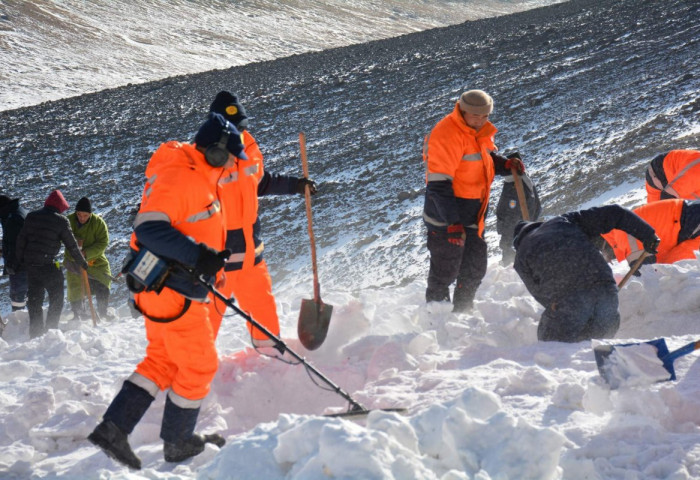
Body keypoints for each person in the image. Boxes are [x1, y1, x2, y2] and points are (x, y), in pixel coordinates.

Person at [88, 113, 242, 470]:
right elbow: (149, 230)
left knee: (163, 359)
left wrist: (209, 265)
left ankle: (113, 429)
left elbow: (189, 226)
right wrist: (199, 256)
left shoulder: (194, 175)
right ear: (216, 152)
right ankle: (178, 441)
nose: (234, 163)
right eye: (231, 155)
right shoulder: (181, 178)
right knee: (201, 364)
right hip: (174, 290)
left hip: (165, 287)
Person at [208, 91, 317, 347]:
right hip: (215, 260)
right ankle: (191, 374)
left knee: (264, 313)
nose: (238, 133)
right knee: (204, 323)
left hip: (251, 256)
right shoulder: (202, 158)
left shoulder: (249, 147)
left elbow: (261, 182)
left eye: (241, 127)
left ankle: (270, 359)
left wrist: (296, 185)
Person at [422, 89, 524, 312]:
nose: (480, 120)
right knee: (445, 271)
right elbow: (438, 186)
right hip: (446, 218)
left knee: (474, 268)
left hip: (472, 215)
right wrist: (452, 224)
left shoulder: (478, 132)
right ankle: (437, 320)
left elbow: (482, 159)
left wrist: (503, 164)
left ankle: (462, 312)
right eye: (475, 116)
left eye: (485, 116)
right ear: (462, 110)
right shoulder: (446, 134)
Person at [512, 205, 660, 343]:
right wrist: (648, 235)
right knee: (599, 342)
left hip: (570, 300)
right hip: (606, 290)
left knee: (549, 345)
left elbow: (539, 292)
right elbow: (615, 212)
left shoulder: (521, 255)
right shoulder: (565, 221)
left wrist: (560, 305)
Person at [15, 190, 88, 338]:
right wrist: (82, 263)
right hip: (49, 266)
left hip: (32, 266)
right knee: (57, 297)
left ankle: (35, 334)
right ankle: (51, 332)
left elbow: (21, 241)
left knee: (35, 300)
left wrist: (19, 262)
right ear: (60, 206)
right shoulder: (61, 221)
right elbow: (72, 246)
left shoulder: (31, 216)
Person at [600, 199, 700, 266]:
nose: (609, 261)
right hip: (688, 213)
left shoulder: (626, 237)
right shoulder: (620, 229)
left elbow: (650, 275)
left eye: (606, 258)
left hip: (690, 221)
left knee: (673, 272)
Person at [64, 197, 115, 321]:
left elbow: (103, 243)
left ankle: (103, 311)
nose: (82, 218)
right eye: (79, 215)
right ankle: (78, 314)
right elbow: (61, 236)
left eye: (85, 215)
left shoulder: (98, 223)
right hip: (73, 259)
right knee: (75, 287)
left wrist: (86, 253)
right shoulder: (68, 221)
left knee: (103, 281)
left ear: (90, 214)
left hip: (95, 259)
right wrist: (76, 252)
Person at [495, 167, 542, 265]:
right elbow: (538, 208)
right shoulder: (527, 183)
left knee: (512, 262)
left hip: (515, 233)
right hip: (526, 229)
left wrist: (505, 239)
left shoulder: (514, 185)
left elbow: (509, 214)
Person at [0, 194, 29, 312]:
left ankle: (18, 323)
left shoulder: (13, 218)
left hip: (19, 265)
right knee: (25, 294)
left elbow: (15, 244)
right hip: (25, 261)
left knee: (18, 295)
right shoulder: (18, 212)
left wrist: (11, 264)